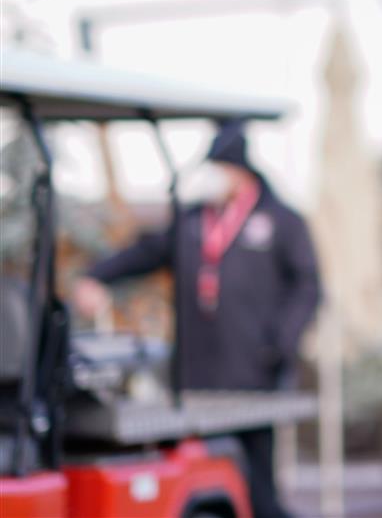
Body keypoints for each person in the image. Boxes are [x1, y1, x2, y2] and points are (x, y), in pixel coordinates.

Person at [72, 120, 321, 518]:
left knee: (258, 484)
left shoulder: (281, 221)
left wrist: (280, 340)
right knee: (209, 472)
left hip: (253, 376)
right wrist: (95, 276)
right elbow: (144, 254)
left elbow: (308, 287)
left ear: (240, 173)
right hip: (198, 376)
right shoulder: (191, 221)